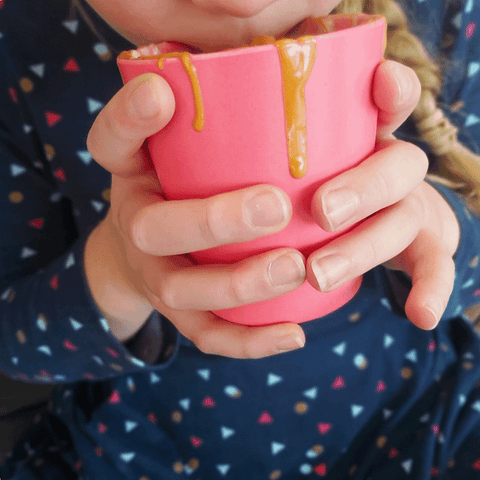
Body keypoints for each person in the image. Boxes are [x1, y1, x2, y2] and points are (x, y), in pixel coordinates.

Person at [0, 0, 479, 478]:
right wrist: (120, 271)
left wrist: (440, 227)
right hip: (144, 452)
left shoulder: (444, 13)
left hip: (420, 423)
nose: (242, 4)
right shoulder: (18, 54)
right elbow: (13, 344)